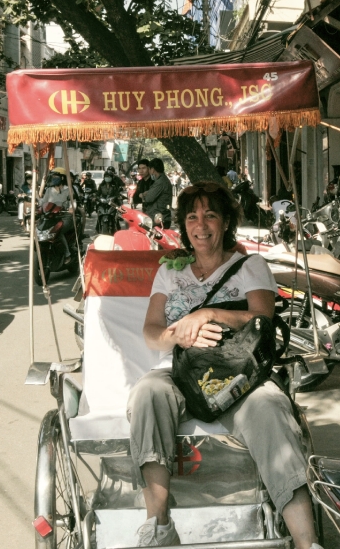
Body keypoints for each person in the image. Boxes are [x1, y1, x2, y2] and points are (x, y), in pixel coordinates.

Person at [130, 181, 320, 549]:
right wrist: (180, 335)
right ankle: (159, 525)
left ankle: (306, 540)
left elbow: (262, 320)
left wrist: (208, 314)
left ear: (226, 221)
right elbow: (151, 333)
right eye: (192, 217)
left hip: (240, 375)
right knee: (147, 393)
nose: (201, 225)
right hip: (182, 372)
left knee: (269, 407)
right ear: (183, 225)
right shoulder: (171, 271)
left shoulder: (250, 266)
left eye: (210, 215)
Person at [40, 167, 76, 262]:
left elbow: (73, 203)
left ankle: (67, 254)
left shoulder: (68, 190)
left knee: (57, 231)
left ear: (62, 178)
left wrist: (71, 209)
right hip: (51, 217)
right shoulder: (49, 190)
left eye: (56, 177)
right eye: (53, 177)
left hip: (65, 217)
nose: (54, 178)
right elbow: (43, 202)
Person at [141, 158, 172, 228]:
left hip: (159, 219)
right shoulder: (162, 180)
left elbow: (149, 198)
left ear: (153, 169)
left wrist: (143, 195)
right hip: (160, 217)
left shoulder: (160, 182)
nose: (149, 172)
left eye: (149, 169)